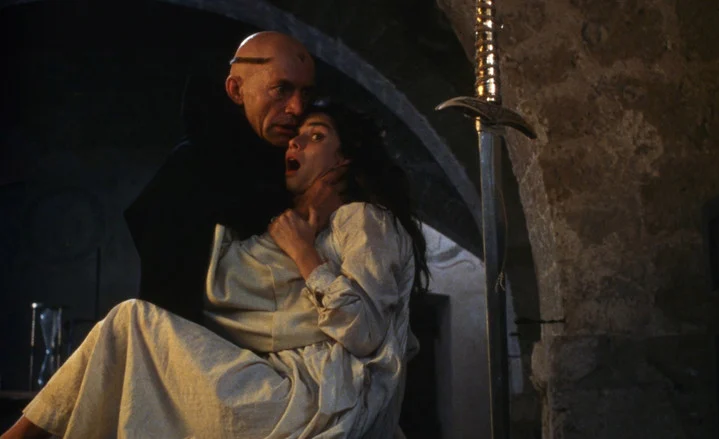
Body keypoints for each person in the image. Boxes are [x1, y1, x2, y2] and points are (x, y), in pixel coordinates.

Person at [1, 102, 429, 439]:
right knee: (129, 332)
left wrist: (304, 253)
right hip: (284, 385)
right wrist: (297, 232)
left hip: (322, 405)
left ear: (345, 160)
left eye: (316, 136)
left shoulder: (365, 219)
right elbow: (226, 293)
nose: (295, 144)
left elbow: (367, 332)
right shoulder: (300, 227)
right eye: (295, 137)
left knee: (131, 322)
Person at [124, 31, 341, 323]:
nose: (297, 108)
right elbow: (171, 307)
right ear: (236, 90)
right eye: (281, 89)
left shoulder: (294, 163)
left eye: (305, 93)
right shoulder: (190, 170)